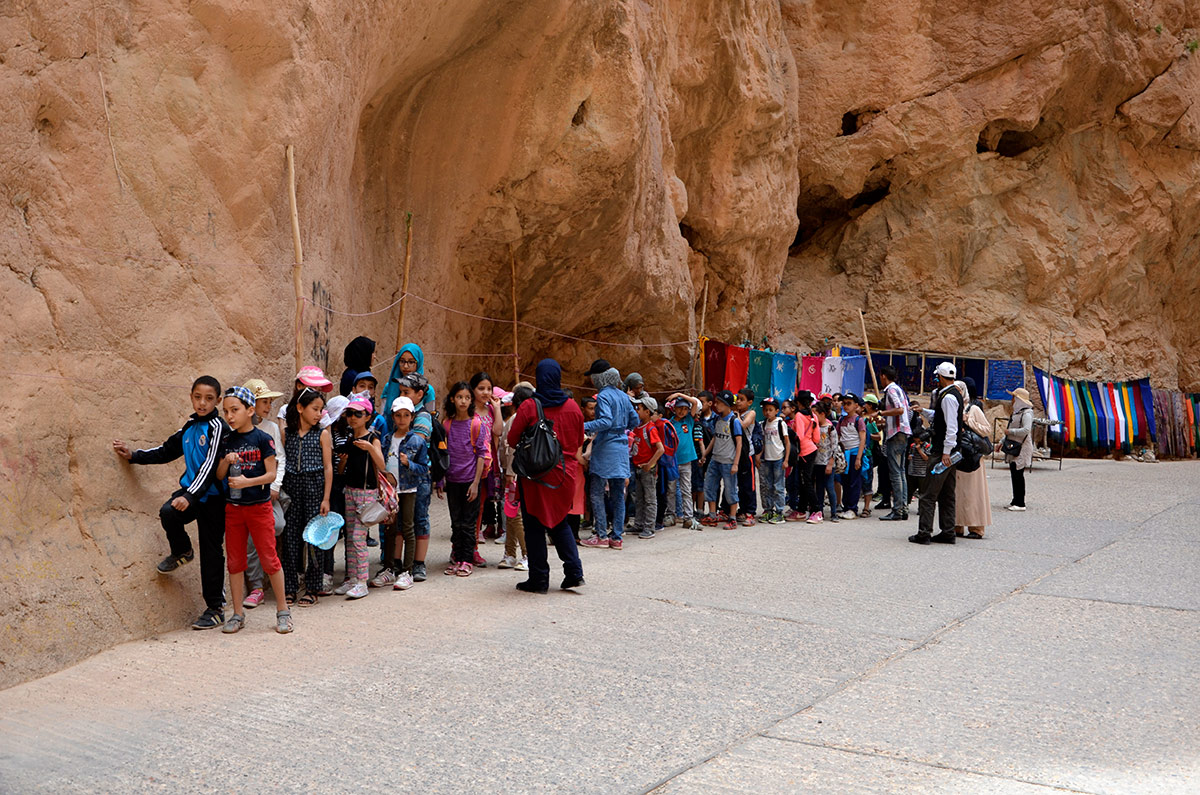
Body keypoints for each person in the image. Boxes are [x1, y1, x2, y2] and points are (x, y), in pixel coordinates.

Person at [112, 375, 229, 630]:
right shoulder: (189, 427)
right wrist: (134, 455)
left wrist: (189, 496)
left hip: (213, 498)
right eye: (198, 397)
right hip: (192, 493)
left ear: (218, 401)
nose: (202, 403)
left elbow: (210, 467)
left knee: (211, 551)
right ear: (191, 397)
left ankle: (215, 609)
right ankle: (182, 551)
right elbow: (165, 450)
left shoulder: (218, 427)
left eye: (209, 398)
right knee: (168, 512)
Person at [214, 386, 292, 635]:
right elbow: (220, 475)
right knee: (235, 562)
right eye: (226, 411)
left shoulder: (262, 439)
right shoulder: (227, 441)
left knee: (269, 559)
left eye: (234, 410)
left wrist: (246, 482)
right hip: (234, 509)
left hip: (259, 508)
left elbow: (271, 474)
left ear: (250, 411)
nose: (229, 416)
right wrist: (226, 461)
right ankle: (237, 614)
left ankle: (283, 611)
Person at [508, 359, 586, 593]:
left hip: (536, 475)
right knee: (560, 522)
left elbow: (512, 439)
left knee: (533, 525)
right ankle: (574, 572)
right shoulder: (573, 407)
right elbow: (579, 440)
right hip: (565, 475)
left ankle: (539, 578)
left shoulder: (530, 406)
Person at [280, 387, 333, 604]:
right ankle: (290, 587)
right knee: (290, 540)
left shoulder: (322, 434)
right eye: (315, 409)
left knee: (314, 540)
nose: (319, 414)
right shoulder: (288, 434)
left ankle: (313, 588)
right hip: (292, 491)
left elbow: (328, 467)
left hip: (314, 490)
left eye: (321, 410)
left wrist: (326, 498)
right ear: (300, 408)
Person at [581, 360, 639, 550]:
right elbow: (635, 420)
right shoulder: (623, 396)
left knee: (596, 492)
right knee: (618, 494)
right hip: (621, 448)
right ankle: (617, 537)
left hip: (605, 447)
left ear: (599, 377)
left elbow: (605, 421)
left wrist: (583, 426)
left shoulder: (603, 396)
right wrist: (621, 429)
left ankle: (601, 535)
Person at [240, 378, 286, 609]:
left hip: (267, 492)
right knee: (250, 540)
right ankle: (256, 587)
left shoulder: (271, 428)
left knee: (276, 525)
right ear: (251, 405)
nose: (268, 406)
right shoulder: (238, 430)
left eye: (269, 402)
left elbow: (280, 458)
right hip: (245, 495)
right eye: (264, 402)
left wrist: (275, 485)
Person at [334, 394, 384, 600]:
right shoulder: (350, 439)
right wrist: (343, 461)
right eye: (349, 414)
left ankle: (362, 581)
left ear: (367, 416)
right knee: (350, 537)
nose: (353, 417)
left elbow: (381, 464)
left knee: (358, 537)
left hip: (366, 492)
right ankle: (353, 578)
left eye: (358, 414)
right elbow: (341, 471)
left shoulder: (373, 439)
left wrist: (370, 448)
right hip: (350, 491)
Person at [376, 396, 427, 590]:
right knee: (389, 528)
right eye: (398, 415)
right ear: (393, 417)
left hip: (408, 489)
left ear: (412, 417)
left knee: (407, 527)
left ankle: (407, 571)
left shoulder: (417, 441)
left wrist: (409, 464)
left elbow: (424, 468)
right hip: (390, 490)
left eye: (406, 415)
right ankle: (389, 568)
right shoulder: (387, 439)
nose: (402, 419)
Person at [910, 362, 964, 545]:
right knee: (947, 494)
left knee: (928, 494)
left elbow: (951, 428)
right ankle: (948, 531)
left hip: (942, 452)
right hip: (950, 452)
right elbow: (942, 418)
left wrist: (946, 452)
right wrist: (924, 411)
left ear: (940, 377)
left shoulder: (948, 397)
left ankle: (924, 532)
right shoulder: (954, 394)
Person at [442, 382, 491, 576]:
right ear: (452, 399)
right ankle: (457, 558)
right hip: (453, 480)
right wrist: (441, 480)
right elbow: (443, 453)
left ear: (471, 401)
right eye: (459, 397)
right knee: (456, 522)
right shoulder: (447, 424)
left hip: (470, 481)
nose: (463, 401)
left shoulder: (476, 424)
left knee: (469, 522)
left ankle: (466, 560)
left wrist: (476, 483)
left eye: (467, 398)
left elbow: (481, 454)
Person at [394, 373, 434, 580]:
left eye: (406, 392)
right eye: (401, 392)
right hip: (402, 476)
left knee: (419, 518)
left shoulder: (422, 417)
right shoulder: (402, 414)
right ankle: (398, 561)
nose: (402, 396)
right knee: (402, 520)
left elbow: (413, 446)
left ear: (419, 394)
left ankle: (418, 563)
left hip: (419, 476)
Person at [496, 382, 533, 570]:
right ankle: (510, 553)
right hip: (519, 473)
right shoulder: (526, 418)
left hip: (515, 474)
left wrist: (508, 471)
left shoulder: (517, 419)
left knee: (515, 515)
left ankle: (527, 554)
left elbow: (509, 448)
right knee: (511, 514)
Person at [470, 371, 505, 559]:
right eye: (481, 388)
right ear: (473, 389)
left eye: (489, 389)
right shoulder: (467, 410)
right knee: (468, 507)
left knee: (481, 506)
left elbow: (497, 431)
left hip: (488, 464)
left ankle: (474, 548)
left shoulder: (491, 410)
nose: (485, 392)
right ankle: (462, 548)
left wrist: (497, 409)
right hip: (469, 463)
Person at [954, 378, 993, 539]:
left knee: (974, 493)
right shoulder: (953, 407)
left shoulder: (974, 409)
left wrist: (968, 420)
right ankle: (957, 525)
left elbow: (987, 429)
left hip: (973, 458)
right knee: (958, 492)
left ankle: (976, 528)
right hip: (958, 456)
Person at [700, 390, 742, 530]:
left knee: (730, 490)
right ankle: (712, 515)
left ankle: (732, 518)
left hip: (728, 461)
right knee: (709, 486)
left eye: (719, 403)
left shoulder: (734, 421)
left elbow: (739, 443)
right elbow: (715, 438)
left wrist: (735, 463)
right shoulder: (718, 419)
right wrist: (705, 454)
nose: (716, 405)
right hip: (715, 459)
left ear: (727, 405)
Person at [876, 366, 912, 522]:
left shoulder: (891, 390)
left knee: (896, 473)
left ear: (883, 376)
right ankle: (903, 508)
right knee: (901, 472)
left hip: (896, 433)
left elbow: (899, 410)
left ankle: (898, 509)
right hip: (902, 432)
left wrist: (881, 413)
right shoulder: (899, 389)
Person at [629, 395, 665, 539]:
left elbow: (660, 449)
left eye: (639, 408)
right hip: (638, 467)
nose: (636, 411)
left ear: (647, 412)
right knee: (639, 498)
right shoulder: (638, 427)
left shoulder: (650, 429)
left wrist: (649, 464)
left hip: (647, 470)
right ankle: (639, 524)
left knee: (650, 499)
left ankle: (649, 527)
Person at [666, 393, 703, 530]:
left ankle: (688, 517)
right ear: (674, 409)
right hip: (673, 462)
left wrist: (679, 394)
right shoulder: (669, 423)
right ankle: (671, 515)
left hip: (686, 461)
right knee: (671, 489)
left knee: (686, 489)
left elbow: (695, 403)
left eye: (685, 409)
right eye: (680, 408)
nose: (682, 411)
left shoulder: (689, 420)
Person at [381, 343, 437, 432]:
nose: (405, 366)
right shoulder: (390, 387)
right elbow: (384, 414)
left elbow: (431, 417)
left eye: (411, 362)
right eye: (402, 361)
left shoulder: (428, 390)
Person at [786, 391, 821, 522]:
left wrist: (790, 432)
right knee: (804, 482)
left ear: (798, 403)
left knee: (806, 482)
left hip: (804, 452)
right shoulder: (814, 416)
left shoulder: (799, 415)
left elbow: (799, 436)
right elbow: (817, 438)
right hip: (812, 449)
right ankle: (801, 510)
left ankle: (816, 510)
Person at [756, 397, 790, 524]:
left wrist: (786, 460)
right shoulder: (763, 424)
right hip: (767, 459)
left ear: (776, 411)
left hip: (778, 459)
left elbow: (787, 442)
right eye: (765, 410)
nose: (767, 412)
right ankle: (768, 510)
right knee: (768, 486)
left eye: (770, 410)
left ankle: (779, 512)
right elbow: (764, 442)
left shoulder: (781, 424)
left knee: (778, 486)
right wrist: (759, 455)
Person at [835, 394, 867, 520]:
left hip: (854, 454)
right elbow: (838, 436)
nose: (846, 406)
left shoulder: (859, 420)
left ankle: (853, 508)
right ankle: (846, 507)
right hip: (844, 455)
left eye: (849, 403)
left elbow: (862, 439)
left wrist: (858, 458)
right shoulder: (841, 420)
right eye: (844, 403)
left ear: (856, 405)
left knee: (854, 482)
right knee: (845, 481)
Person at [1003, 387, 1035, 512]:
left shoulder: (1027, 414)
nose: (1012, 400)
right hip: (1014, 446)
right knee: (1014, 473)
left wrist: (1011, 431)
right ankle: (1015, 500)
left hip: (1022, 447)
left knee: (1018, 475)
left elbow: (1026, 430)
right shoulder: (1017, 413)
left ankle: (1020, 503)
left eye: (1014, 397)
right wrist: (1002, 442)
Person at [809, 400, 840, 523]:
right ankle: (819, 511)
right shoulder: (814, 428)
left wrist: (831, 463)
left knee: (830, 488)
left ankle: (834, 512)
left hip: (827, 463)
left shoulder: (830, 428)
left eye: (815, 414)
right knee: (819, 488)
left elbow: (834, 447)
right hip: (817, 463)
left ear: (822, 414)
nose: (813, 417)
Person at [733, 389, 758, 525]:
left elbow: (743, 425)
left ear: (750, 402)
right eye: (737, 399)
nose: (738, 402)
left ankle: (750, 512)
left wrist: (736, 415)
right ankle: (742, 510)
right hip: (735, 453)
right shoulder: (733, 413)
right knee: (740, 484)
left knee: (749, 485)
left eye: (742, 399)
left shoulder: (751, 413)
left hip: (747, 453)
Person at [860, 395, 882, 517]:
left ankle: (866, 508)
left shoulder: (869, 421)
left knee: (867, 481)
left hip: (867, 455)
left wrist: (867, 435)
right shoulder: (858, 419)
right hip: (856, 453)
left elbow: (878, 436)